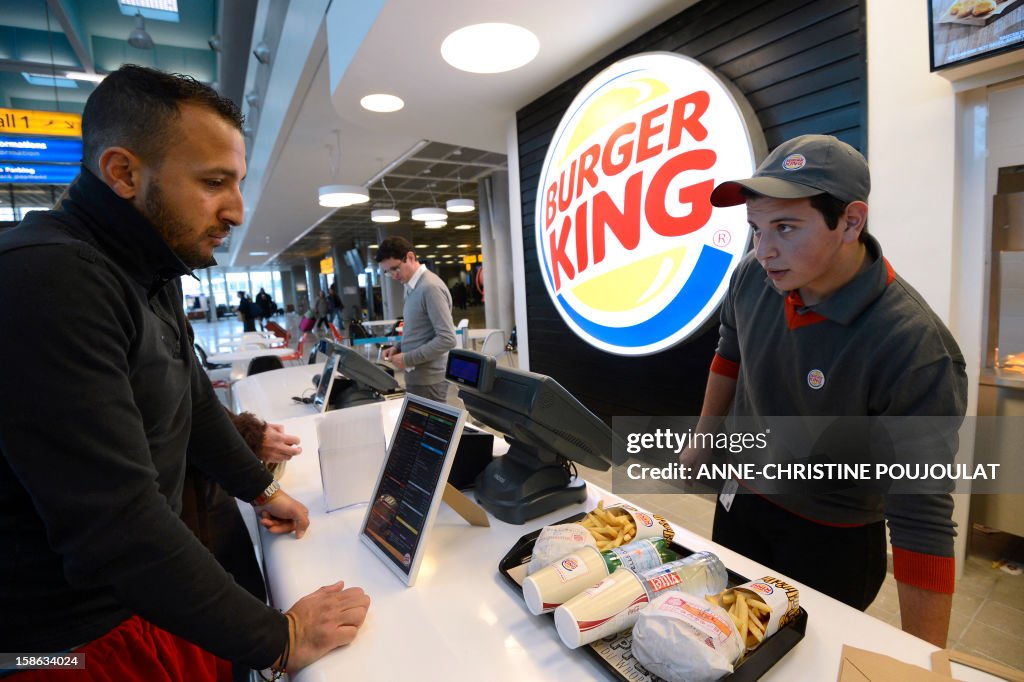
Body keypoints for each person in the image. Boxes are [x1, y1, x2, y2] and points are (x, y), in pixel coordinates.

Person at [0, 65, 369, 680]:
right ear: (123, 172)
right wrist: (282, 639)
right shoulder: (46, 279)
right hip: (63, 645)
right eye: (213, 182)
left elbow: (191, 399)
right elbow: (114, 524)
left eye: (238, 182)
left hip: (148, 604)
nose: (235, 209)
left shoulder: (151, 267)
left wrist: (261, 486)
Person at [681, 134, 967, 648]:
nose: (763, 251)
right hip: (741, 503)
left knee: (797, 658)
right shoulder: (752, 277)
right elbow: (731, 350)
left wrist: (927, 664)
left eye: (786, 228)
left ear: (850, 222)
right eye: (756, 229)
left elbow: (920, 516)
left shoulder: (915, 347)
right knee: (724, 636)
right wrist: (704, 440)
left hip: (830, 536)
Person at [375, 236, 457, 402]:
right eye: (387, 272)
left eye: (395, 268)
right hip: (416, 375)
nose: (392, 275)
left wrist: (407, 358)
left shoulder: (430, 288)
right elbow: (417, 328)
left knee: (430, 427)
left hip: (430, 379)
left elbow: (447, 339)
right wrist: (399, 347)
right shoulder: (410, 286)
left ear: (410, 257)